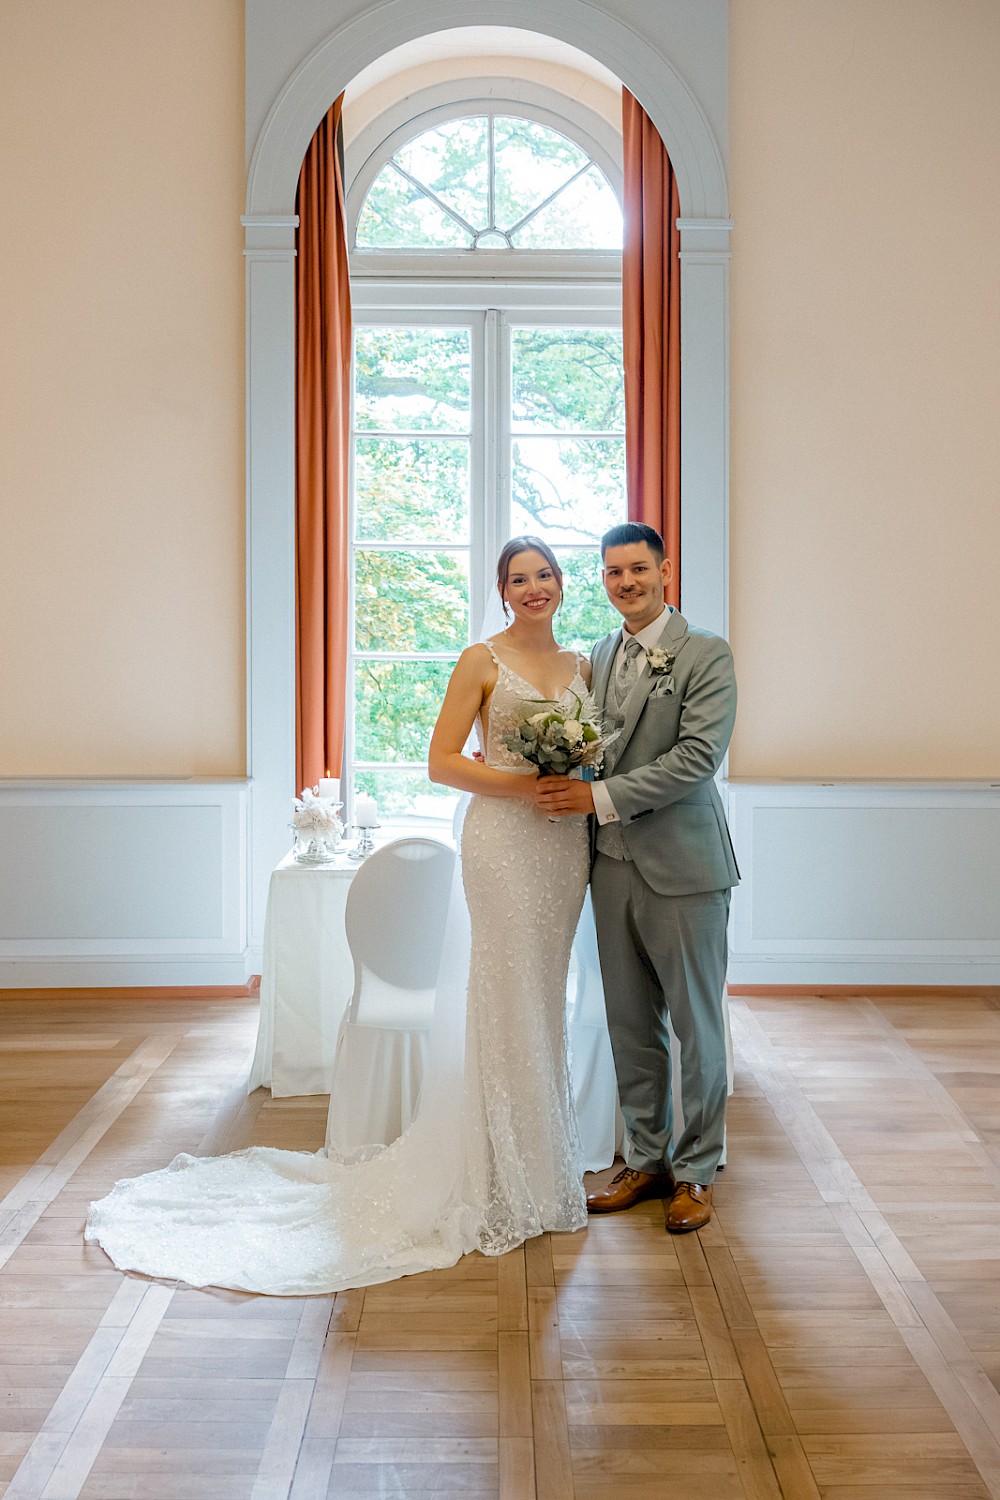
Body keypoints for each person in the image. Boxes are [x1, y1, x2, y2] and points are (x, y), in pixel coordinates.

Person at [84, 536, 591, 1294]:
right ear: (501, 590)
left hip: (564, 849)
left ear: (561, 582)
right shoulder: (481, 661)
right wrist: (526, 789)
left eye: (543, 575)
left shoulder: (584, 665)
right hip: (505, 840)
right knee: (501, 992)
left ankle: (542, 1168)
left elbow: (598, 755)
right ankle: (491, 1171)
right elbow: (442, 761)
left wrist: (575, 780)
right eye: (518, 579)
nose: (533, 588)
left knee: (544, 996)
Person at [535, 521, 738, 1234]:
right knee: (629, 1025)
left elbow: (695, 761)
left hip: (685, 869)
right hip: (610, 868)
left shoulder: (705, 653)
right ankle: (646, 1161)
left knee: (696, 1026)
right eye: (614, 572)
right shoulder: (600, 650)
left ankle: (697, 1172)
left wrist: (595, 797)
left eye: (638, 570)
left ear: (665, 570)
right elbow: (595, 751)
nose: (626, 582)